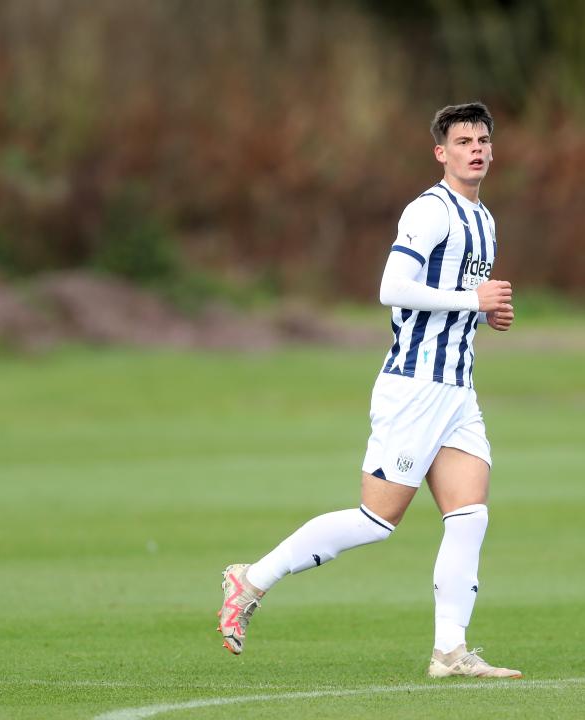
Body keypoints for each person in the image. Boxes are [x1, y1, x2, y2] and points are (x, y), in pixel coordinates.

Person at [217, 102, 521, 679]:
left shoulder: (484, 219)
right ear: (441, 152)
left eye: (483, 140)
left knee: (469, 516)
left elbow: (451, 299)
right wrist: (471, 301)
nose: (476, 150)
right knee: (376, 521)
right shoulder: (430, 211)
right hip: (413, 388)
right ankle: (251, 579)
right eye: (463, 142)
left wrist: (486, 315)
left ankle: (449, 652)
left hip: (458, 390)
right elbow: (392, 287)